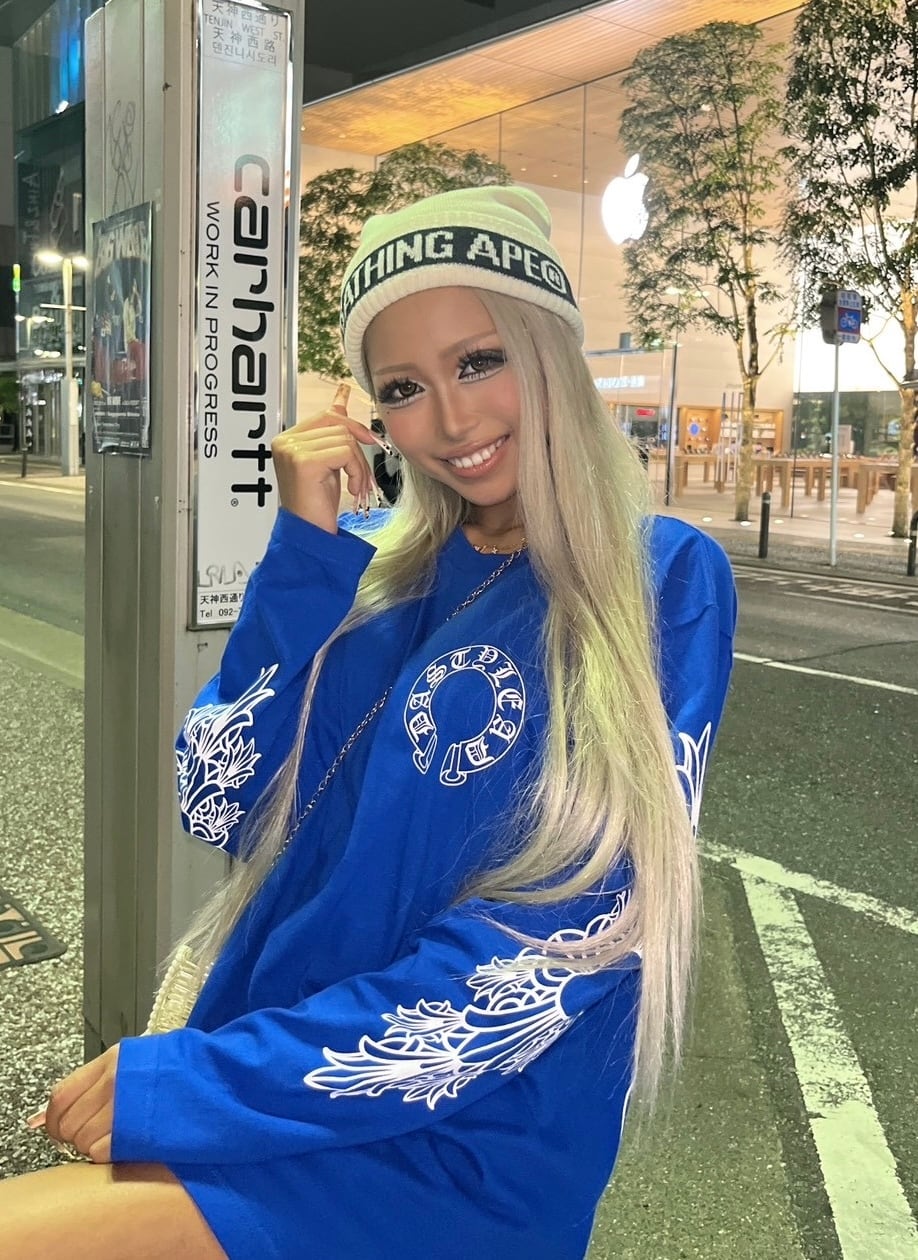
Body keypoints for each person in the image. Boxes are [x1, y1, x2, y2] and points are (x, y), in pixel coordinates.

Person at [1, 185, 736, 1258]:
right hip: (267, 1071)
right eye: (404, 388)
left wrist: (202, 1083)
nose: (452, 420)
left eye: (479, 361)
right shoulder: (375, 568)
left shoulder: (659, 578)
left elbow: (557, 946)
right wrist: (303, 553)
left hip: (453, 1147)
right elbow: (215, 796)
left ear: (551, 352)